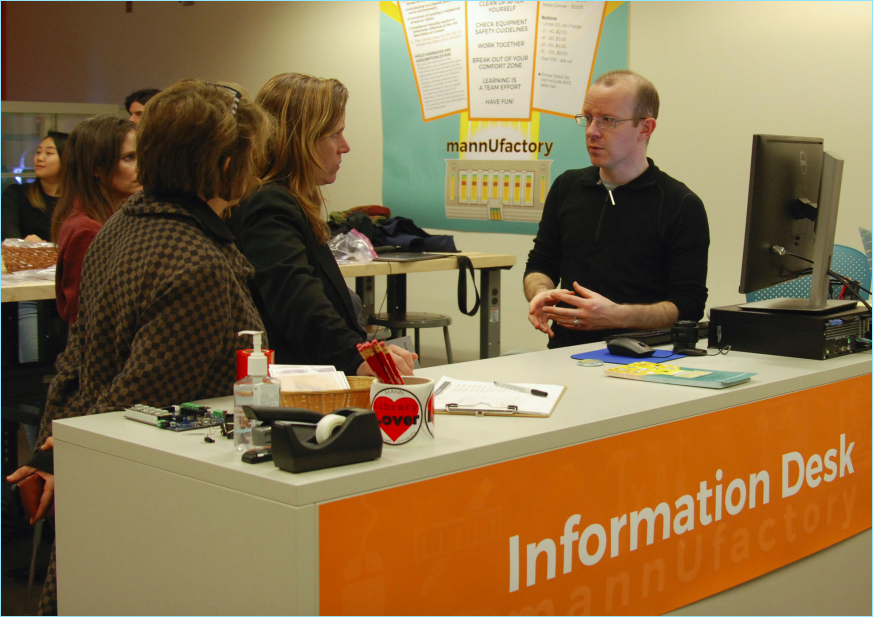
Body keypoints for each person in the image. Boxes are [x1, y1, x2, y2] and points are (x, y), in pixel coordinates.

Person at [6, 79, 273, 616]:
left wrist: (54, 445)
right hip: (160, 497)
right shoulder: (195, 260)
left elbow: (75, 359)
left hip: (111, 482)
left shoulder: (121, 226)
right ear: (224, 164)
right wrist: (66, 452)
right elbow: (142, 400)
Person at [228, 73, 416, 376]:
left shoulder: (283, 201)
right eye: (334, 135)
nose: (345, 146)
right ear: (300, 140)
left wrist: (369, 352)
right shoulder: (268, 205)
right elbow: (299, 305)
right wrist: (358, 360)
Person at [524, 70, 710, 348]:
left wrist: (617, 316)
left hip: (645, 358)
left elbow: (688, 306)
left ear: (645, 128)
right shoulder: (567, 186)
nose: (592, 131)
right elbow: (540, 264)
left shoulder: (680, 204)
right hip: (565, 353)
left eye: (608, 120)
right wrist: (541, 292)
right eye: (588, 118)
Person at [50, 115, 141, 325]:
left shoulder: (110, 218)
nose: (140, 167)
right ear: (96, 168)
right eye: (129, 158)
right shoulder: (88, 229)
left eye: (141, 156)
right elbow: (84, 319)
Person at [2, 131, 68, 241]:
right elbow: (8, 234)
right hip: (23, 257)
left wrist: (44, 247)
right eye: (38, 152)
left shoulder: (79, 200)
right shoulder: (16, 194)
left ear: (67, 159)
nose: (40, 158)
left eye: (49, 153)